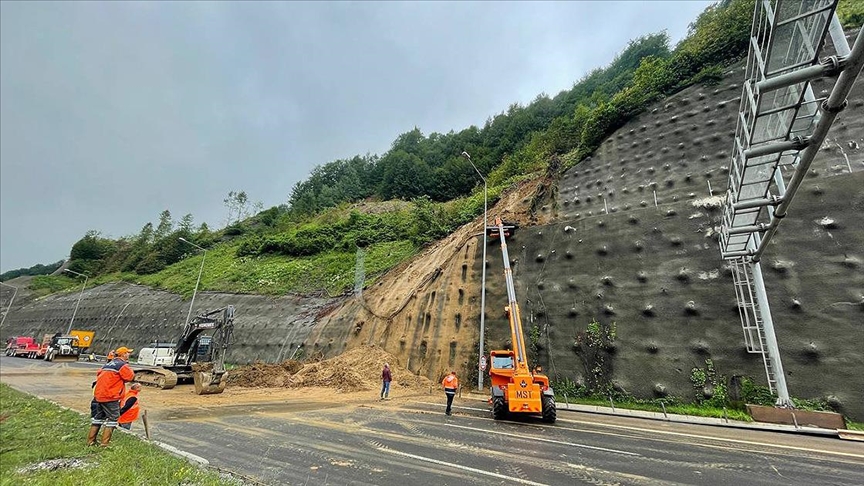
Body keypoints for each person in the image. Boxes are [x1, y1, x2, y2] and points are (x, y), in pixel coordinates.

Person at [88, 346, 134, 446]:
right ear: (124, 354)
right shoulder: (122, 365)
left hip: (99, 395)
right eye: (128, 353)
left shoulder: (108, 364)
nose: (129, 355)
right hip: (111, 396)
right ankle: (104, 444)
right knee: (113, 418)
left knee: (98, 417)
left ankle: (90, 441)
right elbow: (129, 377)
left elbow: (99, 374)